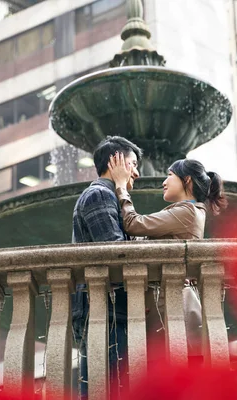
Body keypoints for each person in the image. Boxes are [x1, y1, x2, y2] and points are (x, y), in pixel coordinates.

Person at [107, 154, 228, 360]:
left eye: (169, 175)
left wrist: (121, 188)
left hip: (172, 309)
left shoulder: (188, 212)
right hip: (167, 307)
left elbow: (134, 224)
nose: (164, 182)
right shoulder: (186, 211)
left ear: (186, 180)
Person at [71, 136, 142, 398]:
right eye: (132, 164)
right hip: (107, 312)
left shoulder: (104, 195)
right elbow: (116, 252)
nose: (136, 172)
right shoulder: (99, 194)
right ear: (116, 162)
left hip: (108, 311)